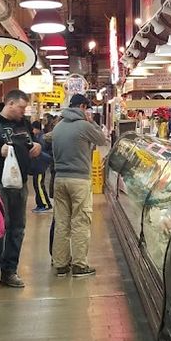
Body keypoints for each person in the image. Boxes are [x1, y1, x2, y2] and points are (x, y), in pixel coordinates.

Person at [0, 89, 41, 290]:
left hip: (20, 183)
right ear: (10, 104)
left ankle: (10, 271)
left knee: (18, 228)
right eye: (21, 107)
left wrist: (36, 148)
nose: (23, 111)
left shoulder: (24, 124)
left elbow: (29, 144)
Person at [51, 93, 107, 278]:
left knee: (61, 222)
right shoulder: (84, 126)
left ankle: (60, 264)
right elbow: (101, 139)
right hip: (79, 180)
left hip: (59, 179)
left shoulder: (58, 127)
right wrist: (92, 121)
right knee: (80, 222)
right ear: (83, 107)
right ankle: (79, 265)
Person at [29, 121, 52, 213]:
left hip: (40, 165)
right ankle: (40, 204)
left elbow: (41, 153)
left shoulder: (41, 139)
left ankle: (45, 204)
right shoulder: (39, 137)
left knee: (39, 185)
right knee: (37, 185)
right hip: (38, 166)